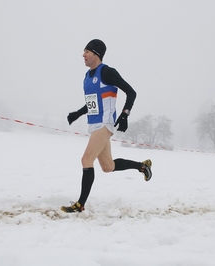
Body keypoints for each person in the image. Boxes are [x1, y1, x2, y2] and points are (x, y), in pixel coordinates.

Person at [61, 39, 152, 213]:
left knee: (86, 159)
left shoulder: (107, 72)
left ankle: (80, 204)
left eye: (87, 51)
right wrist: (77, 114)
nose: (83, 55)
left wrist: (125, 114)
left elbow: (131, 92)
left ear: (96, 54)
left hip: (105, 124)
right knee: (107, 166)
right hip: (94, 124)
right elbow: (92, 103)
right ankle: (142, 166)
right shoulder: (87, 77)